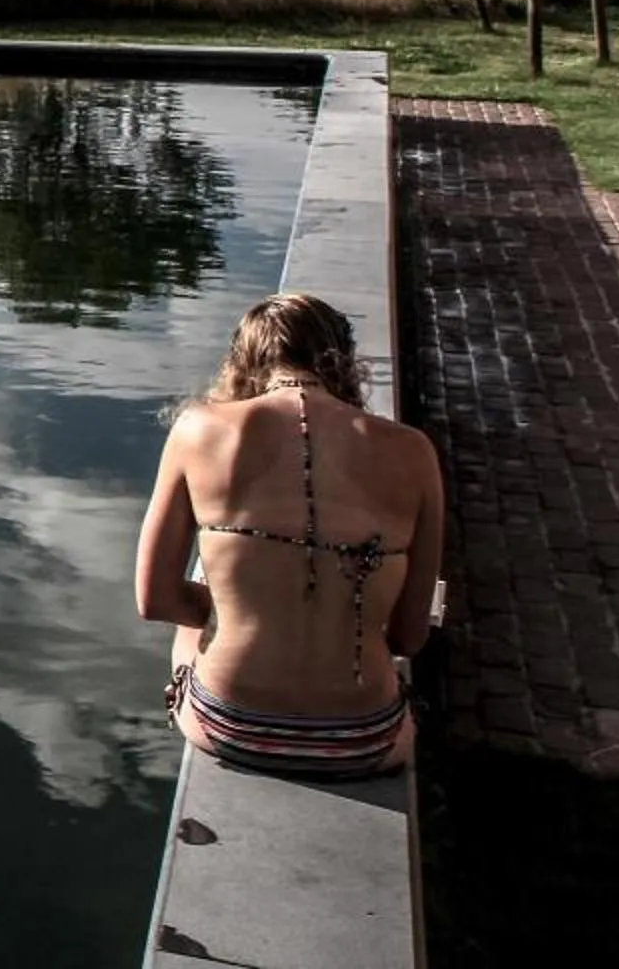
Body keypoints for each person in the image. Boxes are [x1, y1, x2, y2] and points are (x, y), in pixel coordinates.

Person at [133, 292, 444, 779]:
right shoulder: (413, 451)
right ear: (344, 361)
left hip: (228, 725)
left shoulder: (198, 429)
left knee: (194, 606)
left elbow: (154, 600)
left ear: (243, 361)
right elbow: (409, 635)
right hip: (367, 736)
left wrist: (232, 607)